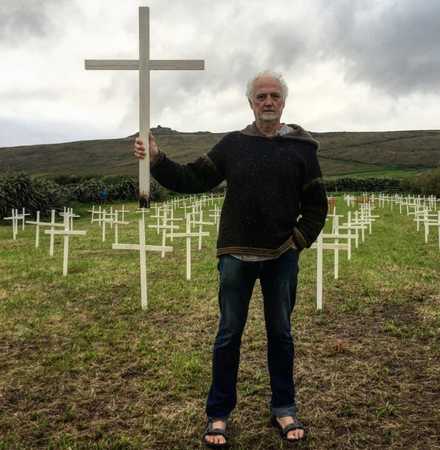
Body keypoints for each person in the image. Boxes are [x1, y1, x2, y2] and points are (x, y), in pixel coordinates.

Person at [134, 70, 327, 447]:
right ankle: (218, 414)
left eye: (274, 96)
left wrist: (297, 241)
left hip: (281, 257)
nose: (268, 101)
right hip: (235, 257)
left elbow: (317, 204)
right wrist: (157, 159)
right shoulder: (233, 144)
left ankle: (283, 407)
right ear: (251, 103)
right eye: (261, 96)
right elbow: (192, 178)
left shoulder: (302, 148)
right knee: (228, 335)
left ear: (283, 102)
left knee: (281, 334)